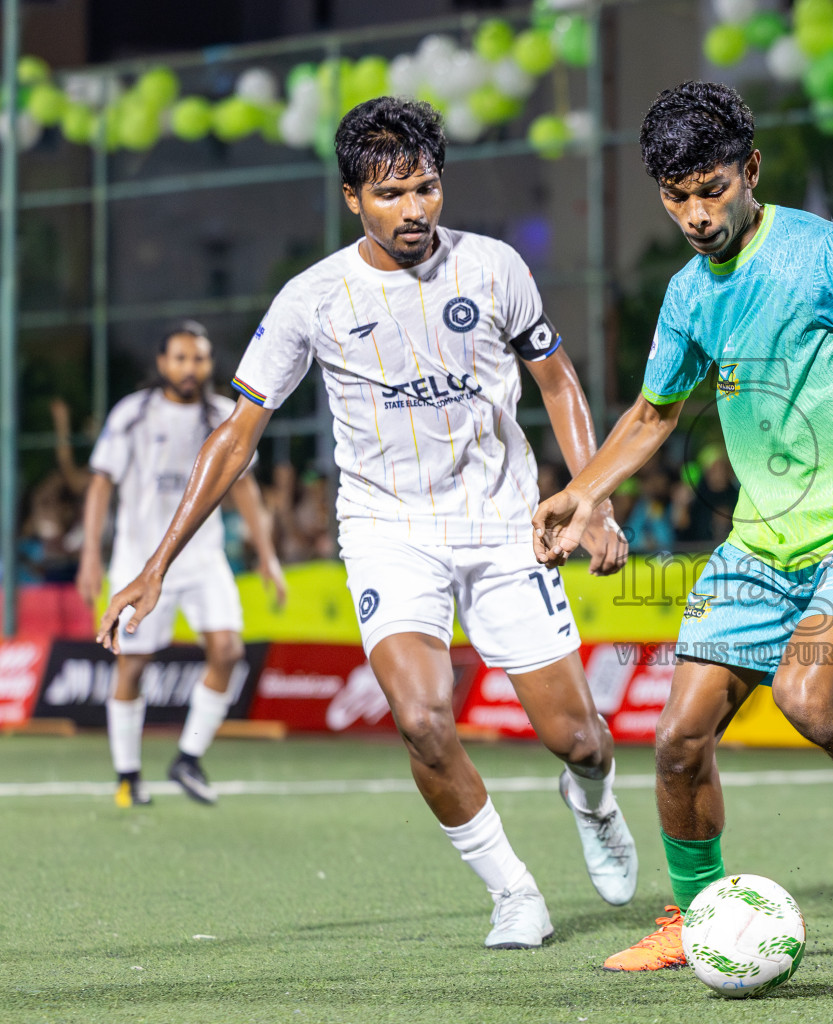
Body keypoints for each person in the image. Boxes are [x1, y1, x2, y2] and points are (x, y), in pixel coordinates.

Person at [97, 98, 639, 951]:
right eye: (391, 195)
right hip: (388, 529)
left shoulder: (495, 268)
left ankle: (595, 800)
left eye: (427, 189)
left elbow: (560, 383)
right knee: (422, 720)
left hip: (503, 523)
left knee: (580, 740)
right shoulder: (311, 298)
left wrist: (593, 496)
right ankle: (514, 893)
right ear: (353, 197)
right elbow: (237, 432)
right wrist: (159, 561)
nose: (415, 210)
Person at [531, 81, 833, 972]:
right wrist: (584, 493)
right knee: (678, 738)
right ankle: (695, 917)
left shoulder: (824, 253)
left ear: (750, 169)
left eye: (711, 187)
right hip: (765, 540)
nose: (695, 212)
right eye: (676, 196)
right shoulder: (687, 295)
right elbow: (652, 416)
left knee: (807, 696)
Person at [77, 321, 287, 808]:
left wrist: (268, 557)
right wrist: (92, 553)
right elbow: (101, 484)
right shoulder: (132, 414)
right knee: (132, 667)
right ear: (161, 362)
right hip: (137, 562)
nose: (190, 368)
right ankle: (128, 774)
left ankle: (187, 758)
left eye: (199, 358)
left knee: (229, 652)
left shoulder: (224, 415)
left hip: (203, 559)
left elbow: (246, 489)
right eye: (181, 358)